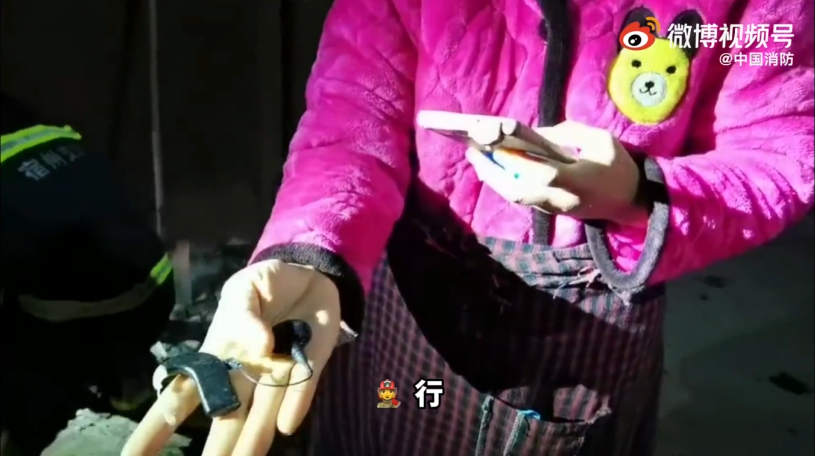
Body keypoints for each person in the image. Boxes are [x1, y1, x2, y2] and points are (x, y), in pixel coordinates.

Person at [124, 0, 814, 454]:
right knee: (382, 418)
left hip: (588, 312)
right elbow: (353, 117)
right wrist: (311, 250)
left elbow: (781, 149)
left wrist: (639, 190)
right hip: (409, 291)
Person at [0, 93, 175, 452]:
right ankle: (126, 375)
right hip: (157, 285)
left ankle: (30, 428)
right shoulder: (29, 121)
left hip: (71, 321)